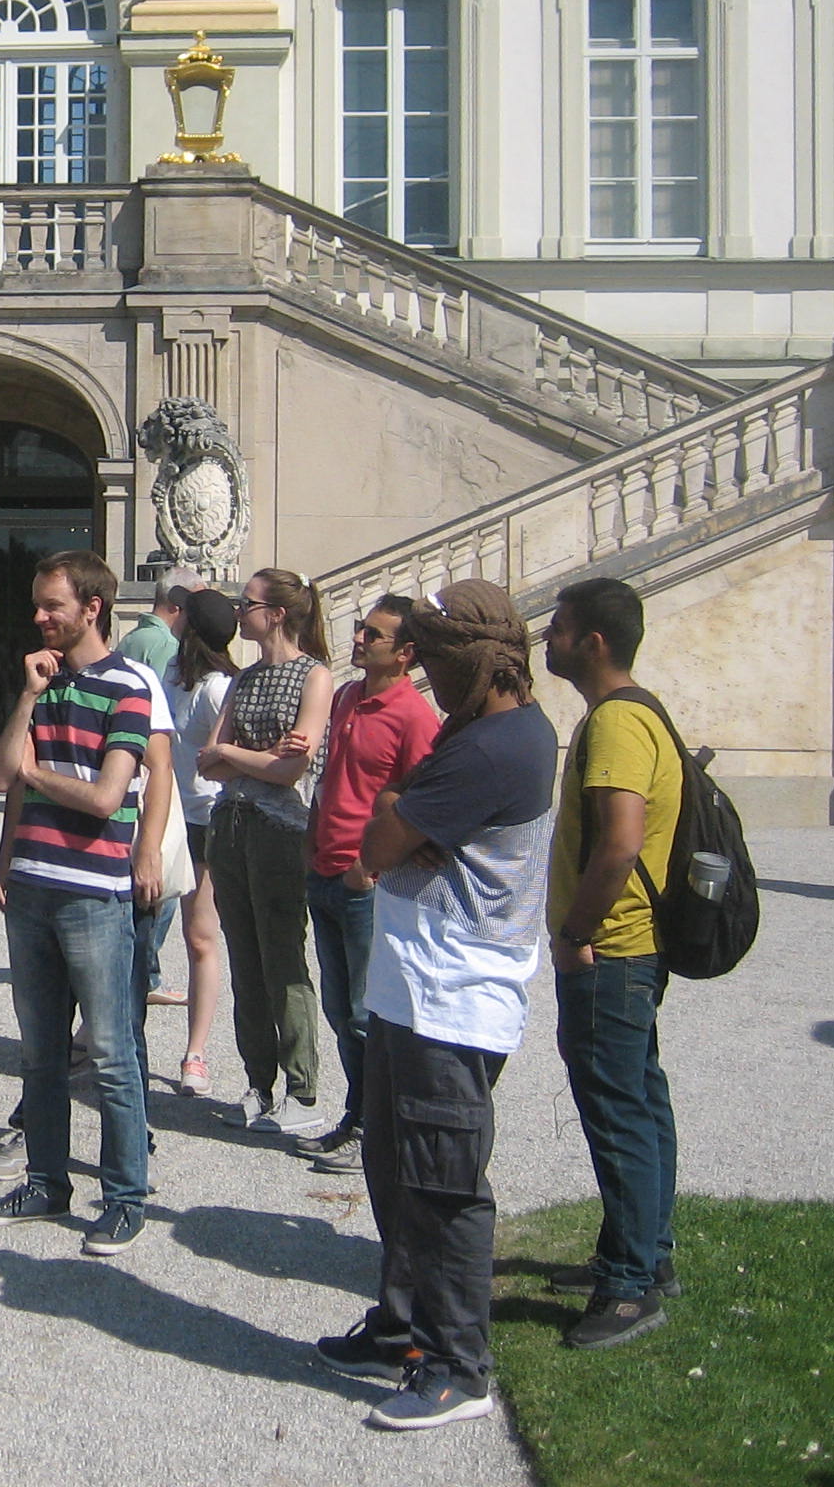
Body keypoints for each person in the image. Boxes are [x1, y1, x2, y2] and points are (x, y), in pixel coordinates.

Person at [314, 578, 556, 1432]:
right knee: (393, 1162)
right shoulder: (482, 729)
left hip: (454, 997)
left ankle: (459, 1363)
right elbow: (396, 827)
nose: (429, 681)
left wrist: (395, 818)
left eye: (444, 666)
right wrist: (400, 818)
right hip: (414, 989)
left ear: (485, 667)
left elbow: (380, 840)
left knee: (445, 1182)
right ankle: (403, 1325)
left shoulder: (495, 746)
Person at [0, 550, 168, 1258]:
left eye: (52, 605)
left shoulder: (130, 688)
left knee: (111, 1053)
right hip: (32, 884)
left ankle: (124, 1197)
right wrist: (25, 700)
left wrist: (37, 774)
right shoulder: (42, 682)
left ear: (93, 607)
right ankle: (48, 1182)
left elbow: (109, 797)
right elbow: (1, 775)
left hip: (93, 891)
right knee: (40, 1052)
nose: (39, 616)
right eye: (37, 603)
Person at [542, 576, 684, 1350]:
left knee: (617, 1110)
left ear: (593, 641)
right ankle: (642, 1255)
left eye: (559, 628)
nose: (548, 639)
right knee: (640, 1099)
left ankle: (629, 1286)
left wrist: (575, 929)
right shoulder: (636, 712)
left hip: (613, 948)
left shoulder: (617, 726)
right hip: (633, 948)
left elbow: (620, 842)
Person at [301, 592, 439, 1173]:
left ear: (405, 653)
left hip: (365, 882)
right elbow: (332, 778)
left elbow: (420, 802)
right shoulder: (346, 697)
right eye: (360, 628)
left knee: (364, 1009)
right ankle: (357, 1114)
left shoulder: (414, 716)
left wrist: (369, 868)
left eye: (373, 635)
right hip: (324, 869)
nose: (358, 639)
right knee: (338, 1006)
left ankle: (373, 1127)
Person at [197, 568, 335, 1135]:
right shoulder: (245, 678)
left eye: (246, 603)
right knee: (244, 960)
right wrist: (253, 753)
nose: (238, 611)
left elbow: (291, 770)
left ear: (275, 613)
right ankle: (258, 1082)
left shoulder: (315, 676)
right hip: (230, 825)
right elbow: (209, 758)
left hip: (280, 831)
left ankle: (301, 1089)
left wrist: (240, 754)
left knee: (283, 959)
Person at [160, 590, 237, 1102]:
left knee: (200, 936)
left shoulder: (220, 688)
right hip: (166, 815)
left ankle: (195, 1051)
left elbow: (235, 756)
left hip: (204, 820)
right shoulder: (171, 673)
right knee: (137, 928)